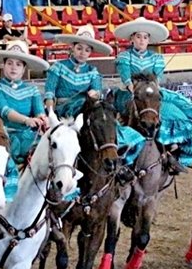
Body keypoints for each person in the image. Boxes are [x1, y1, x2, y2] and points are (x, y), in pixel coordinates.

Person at [114, 18, 192, 175]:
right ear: (132, 38)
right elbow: (127, 80)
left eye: (145, 37)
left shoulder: (156, 58)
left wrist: (151, 91)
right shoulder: (123, 57)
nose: (142, 40)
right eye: (138, 37)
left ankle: (170, 150)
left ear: (149, 40)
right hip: (130, 93)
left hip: (152, 92)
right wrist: (137, 90)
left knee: (173, 110)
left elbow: (157, 80)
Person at [44, 25, 143, 170]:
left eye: (87, 50)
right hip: (63, 112)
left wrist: (94, 95)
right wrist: (50, 115)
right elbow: (49, 93)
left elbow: (97, 92)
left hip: (86, 110)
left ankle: (119, 163)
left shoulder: (93, 72)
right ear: (72, 47)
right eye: (79, 48)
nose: (82, 53)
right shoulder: (58, 67)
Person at [0, 40, 51, 200]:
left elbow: (40, 111)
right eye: (10, 63)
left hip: (28, 138)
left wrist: (43, 119)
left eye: (18, 64)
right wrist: (27, 120)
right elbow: (4, 111)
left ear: (24, 68)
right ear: (3, 65)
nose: (14, 67)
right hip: (2, 137)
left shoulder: (32, 89)